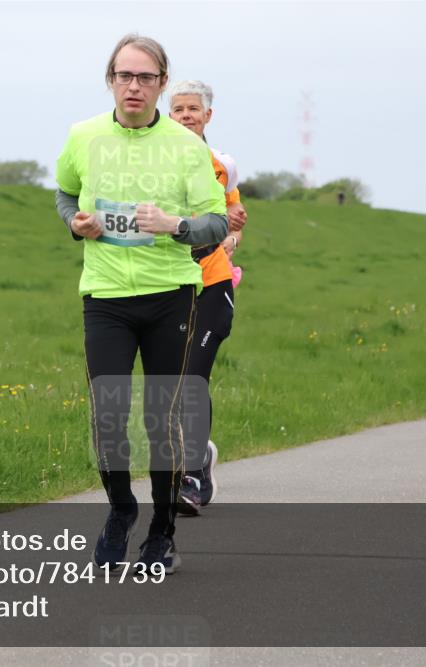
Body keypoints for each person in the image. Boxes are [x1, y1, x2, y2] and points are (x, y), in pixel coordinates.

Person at [55, 34, 228, 572]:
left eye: (146, 77)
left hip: (170, 296)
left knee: (161, 420)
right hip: (105, 296)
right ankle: (120, 509)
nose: (134, 86)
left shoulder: (185, 145)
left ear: (160, 83)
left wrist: (175, 225)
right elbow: (64, 193)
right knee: (108, 417)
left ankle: (162, 533)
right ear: (110, 80)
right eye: (124, 76)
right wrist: (75, 222)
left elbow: (216, 221)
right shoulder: (82, 136)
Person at [167, 80, 247, 516]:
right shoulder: (155, 163)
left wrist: (231, 237)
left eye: (193, 108)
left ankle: (194, 476)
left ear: (208, 115)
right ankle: (194, 461)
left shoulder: (222, 165)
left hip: (213, 285)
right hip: (169, 287)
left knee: (192, 380)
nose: (185, 115)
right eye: (177, 109)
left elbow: (235, 217)